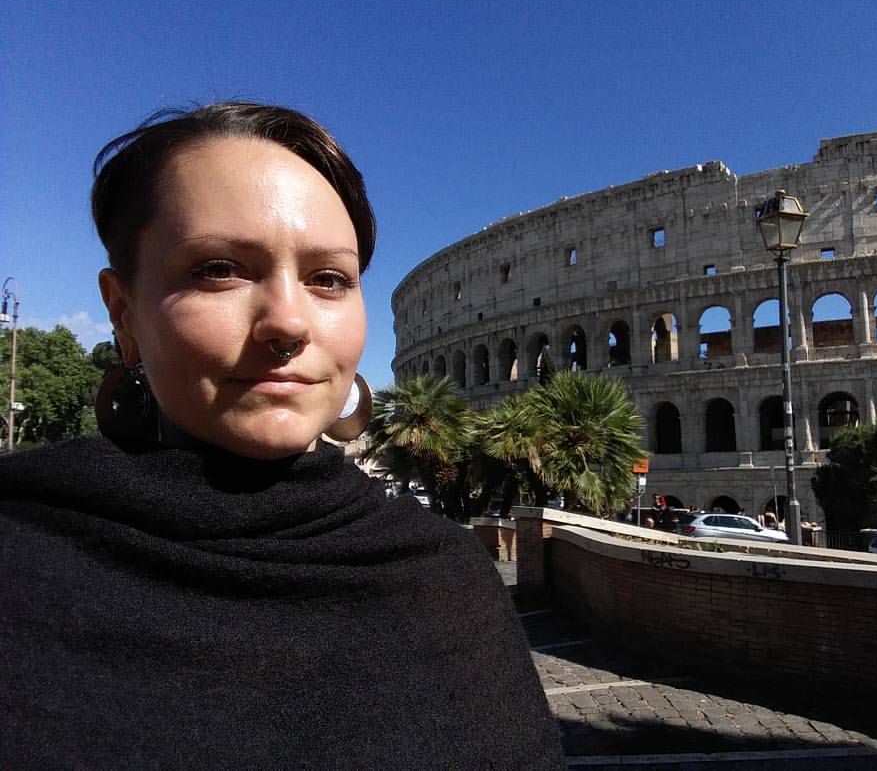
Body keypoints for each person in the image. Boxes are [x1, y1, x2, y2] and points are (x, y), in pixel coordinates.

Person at [0, 103, 564, 769]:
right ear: (124, 311)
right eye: (219, 269)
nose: (288, 322)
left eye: (329, 279)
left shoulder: (444, 578)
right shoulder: (21, 555)